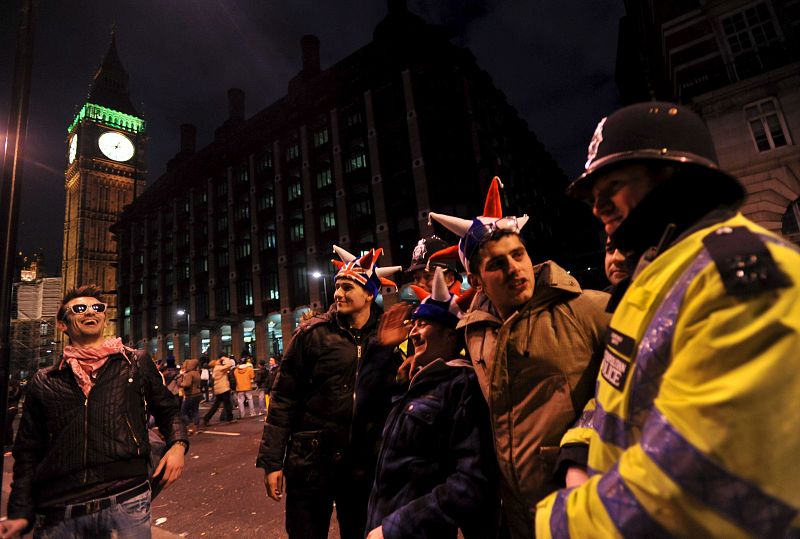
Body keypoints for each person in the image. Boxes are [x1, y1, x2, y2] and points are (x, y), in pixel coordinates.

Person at [535, 102, 800, 537]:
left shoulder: (738, 278)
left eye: (613, 186)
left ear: (674, 176)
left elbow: (699, 484)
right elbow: (621, 397)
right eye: (592, 196)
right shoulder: (662, 276)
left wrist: (558, 524)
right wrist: (580, 452)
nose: (598, 207)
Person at [429, 177, 610, 538]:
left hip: (586, 503)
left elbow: (632, 386)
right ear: (475, 279)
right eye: (497, 264)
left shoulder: (590, 309)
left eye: (518, 254)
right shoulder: (474, 330)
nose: (514, 269)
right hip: (517, 516)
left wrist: (582, 445)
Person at [1, 284, 188, 539]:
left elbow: (168, 410)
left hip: (126, 500)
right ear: (62, 324)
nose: (91, 311)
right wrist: (20, 512)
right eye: (79, 308)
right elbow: (27, 452)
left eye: (97, 307)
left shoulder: (134, 363)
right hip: (59, 510)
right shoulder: (44, 380)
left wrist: (178, 445)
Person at [257, 246, 402, 539]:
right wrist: (273, 462)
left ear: (369, 294)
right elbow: (283, 398)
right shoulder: (311, 334)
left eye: (348, 287)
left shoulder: (388, 337)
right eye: (337, 286)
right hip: (310, 464)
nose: (338, 294)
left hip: (364, 466)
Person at [366, 267, 500, 539]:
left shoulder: (461, 385)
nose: (413, 333)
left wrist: (396, 528)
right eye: (413, 324)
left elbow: (471, 482)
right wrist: (381, 350)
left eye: (424, 324)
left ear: (451, 335)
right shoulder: (414, 381)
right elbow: (365, 412)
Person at [201, 355, 236, 426]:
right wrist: (224, 358)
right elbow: (229, 365)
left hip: (219, 389)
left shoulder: (215, 369)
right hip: (224, 388)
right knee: (228, 404)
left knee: (216, 405)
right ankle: (229, 418)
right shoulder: (219, 368)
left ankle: (206, 418)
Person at [179, 358, 202, 435]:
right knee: (195, 411)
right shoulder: (197, 372)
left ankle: (190, 427)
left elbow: (187, 384)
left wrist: (180, 384)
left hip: (190, 395)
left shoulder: (189, 374)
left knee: (183, 412)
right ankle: (196, 427)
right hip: (198, 394)